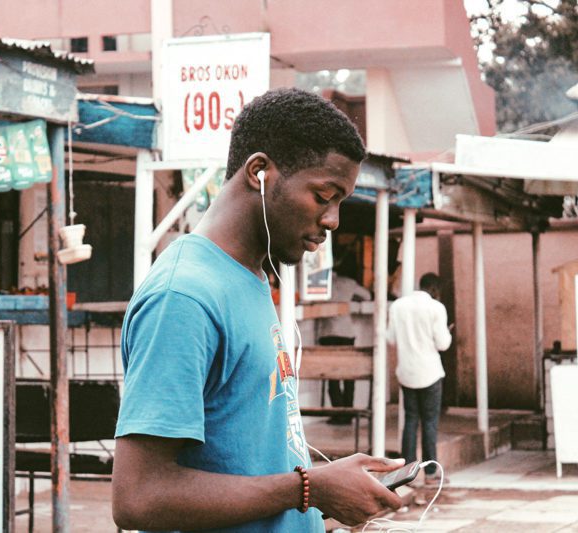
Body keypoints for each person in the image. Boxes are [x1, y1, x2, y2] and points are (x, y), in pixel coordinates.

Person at [112, 88, 405, 532]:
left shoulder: (248, 278)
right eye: (324, 195)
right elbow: (139, 496)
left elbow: (245, 463)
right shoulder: (184, 297)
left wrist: (322, 504)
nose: (333, 220)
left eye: (340, 202)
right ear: (260, 172)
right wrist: (309, 488)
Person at [387, 273, 452, 484]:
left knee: (410, 421)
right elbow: (443, 344)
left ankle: (407, 473)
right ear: (434, 289)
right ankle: (431, 472)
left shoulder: (398, 306)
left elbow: (390, 339)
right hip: (430, 372)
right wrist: (448, 333)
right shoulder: (436, 308)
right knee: (430, 422)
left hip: (406, 372)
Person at [315, 248, 371, 424]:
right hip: (347, 333)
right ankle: (349, 412)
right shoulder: (349, 283)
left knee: (332, 376)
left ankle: (339, 414)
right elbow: (368, 295)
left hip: (328, 334)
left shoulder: (320, 282)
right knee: (349, 377)